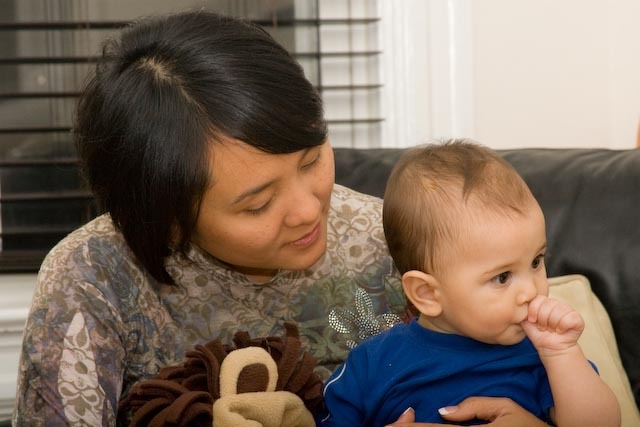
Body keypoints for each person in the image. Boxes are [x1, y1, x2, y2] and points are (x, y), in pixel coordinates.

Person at [13, 11, 555, 427]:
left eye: (311, 161)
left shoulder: (392, 244)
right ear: (170, 220)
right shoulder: (93, 279)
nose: (310, 208)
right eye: (258, 203)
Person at [318, 141, 621, 427]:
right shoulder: (371, 364)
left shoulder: (541, 356)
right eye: (502, 277)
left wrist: (562, 354)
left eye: (536, 261)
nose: (532, 291)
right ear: (427, 294)